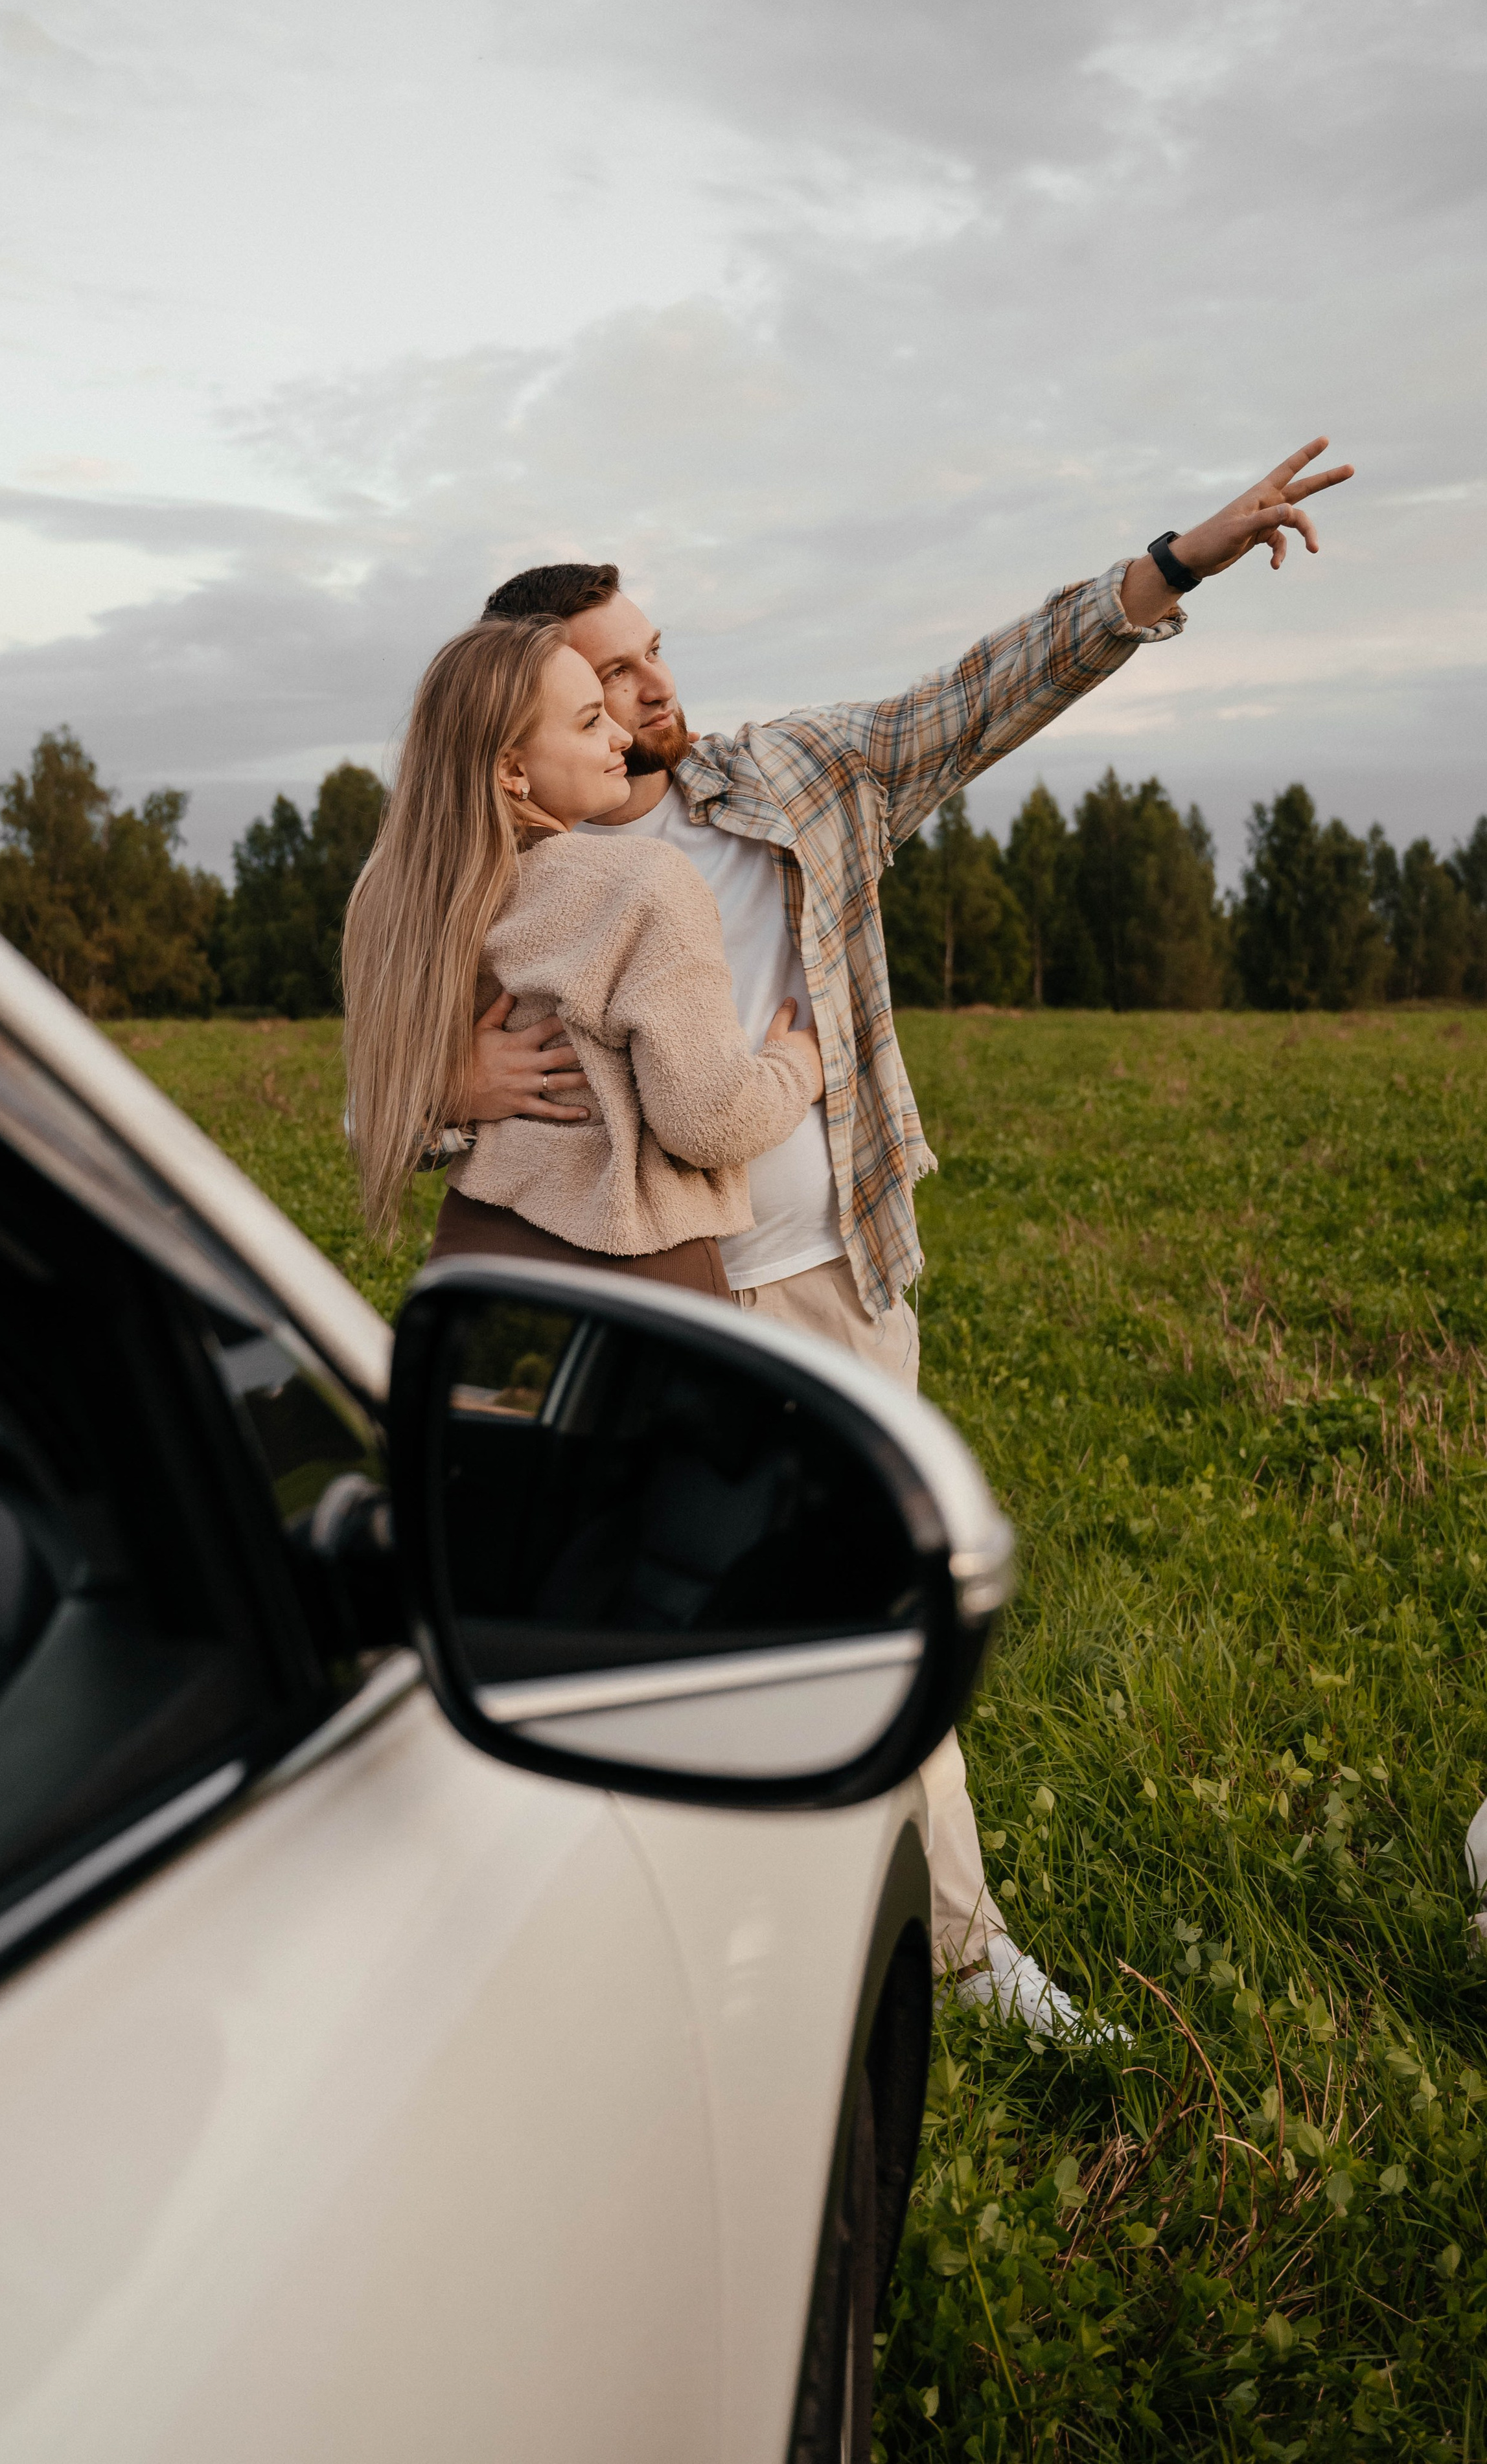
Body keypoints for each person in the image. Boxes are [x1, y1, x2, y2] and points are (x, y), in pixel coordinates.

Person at [455, 437, 1355, 2037]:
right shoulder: (502, 870)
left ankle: (953, 1945)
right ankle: (642, 1959)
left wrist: (1178, 558)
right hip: (622, 1302)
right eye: (609, 673)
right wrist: (453, 1088)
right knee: (626, 1627)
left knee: (881, 1603)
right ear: (535, 722)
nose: (650, 687)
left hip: (815, 1283)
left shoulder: (791, 779)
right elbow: (399, 1084)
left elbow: (987, 690)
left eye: (650, 653)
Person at [341, 614, 823, 1298]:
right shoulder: (642, 884)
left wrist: (449, 1088)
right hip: (636, 1275)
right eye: (592, 720)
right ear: (512, 769)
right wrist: (803, 1062)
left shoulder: (395, 897)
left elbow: (375, 1105)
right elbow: (709, 1123)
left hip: (471, 1262)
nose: (622, 736)